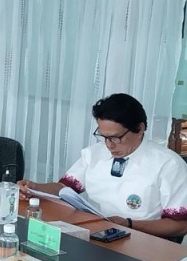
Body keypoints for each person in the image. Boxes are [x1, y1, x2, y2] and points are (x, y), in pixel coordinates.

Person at [19, 93, 187, 239]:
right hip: (96, 232)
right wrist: (34, 187)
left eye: (116, 137)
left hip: (142, 240)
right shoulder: (95, 154)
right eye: (104, 137)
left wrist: (129, 224)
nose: (109, 145)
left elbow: (180, 226)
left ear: (140, 128)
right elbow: (64, 188)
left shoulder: (168, 164)